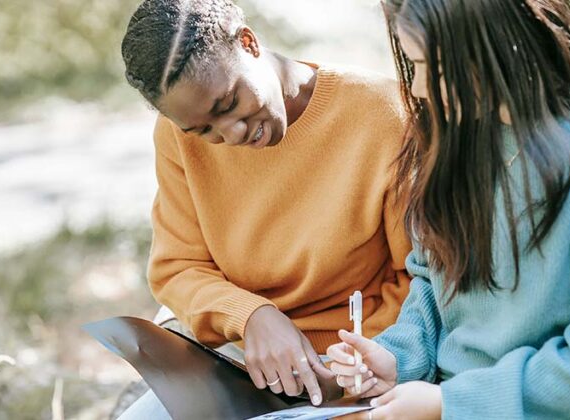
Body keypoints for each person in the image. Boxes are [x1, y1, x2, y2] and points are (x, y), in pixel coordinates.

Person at [328, 0, 570, 418]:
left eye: (429, 68)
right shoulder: (456, 138)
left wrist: (451, 403)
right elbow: (433, 279)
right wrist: (397, 359)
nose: (417, 88)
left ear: (488, 52)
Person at [118, 0, 413, 416]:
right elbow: (177, 267)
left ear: (249, 42)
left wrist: (361, 361)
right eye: (203, 129)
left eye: (228, 104)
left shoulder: (380, 113)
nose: (231, 134)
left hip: (361, 365)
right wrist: (252, 316)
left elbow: (421, 275)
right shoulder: (176, 139)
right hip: (243, 366)